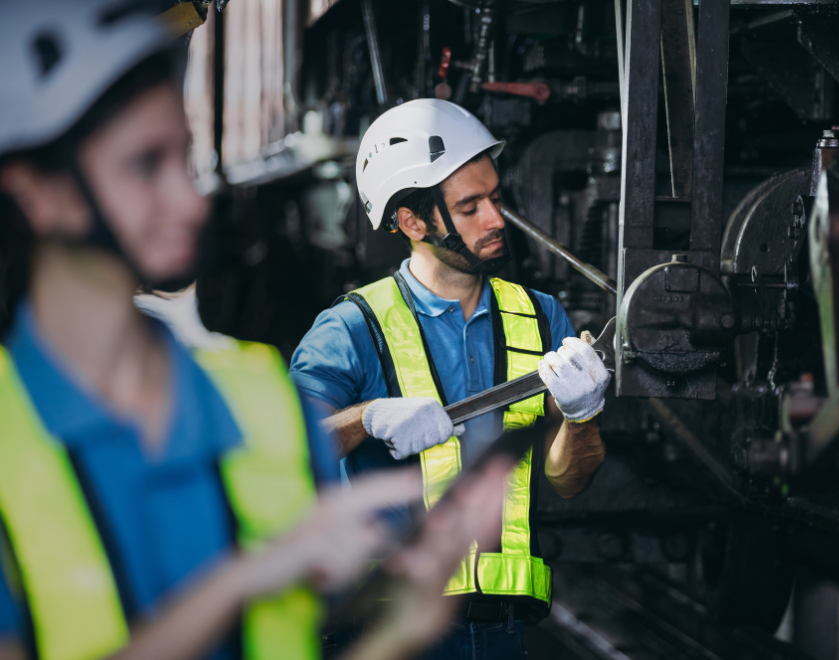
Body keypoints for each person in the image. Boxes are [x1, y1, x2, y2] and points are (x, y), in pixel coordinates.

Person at [0, 4, 509, 660]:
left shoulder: (263, 397)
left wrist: (403, 625)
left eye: (183, 159)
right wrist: (242, 580)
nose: (191, 200)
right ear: (39, 192)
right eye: (143, 165)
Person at [290, 98, 610, 658]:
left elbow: (568, 481)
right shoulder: (352, 327)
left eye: (495, 197)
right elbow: (283, 457)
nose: (495, 219)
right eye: (469, 207)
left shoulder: (540, 317)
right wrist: (366, 416)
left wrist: (582, 419)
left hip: (502, 631)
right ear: (412, 222)